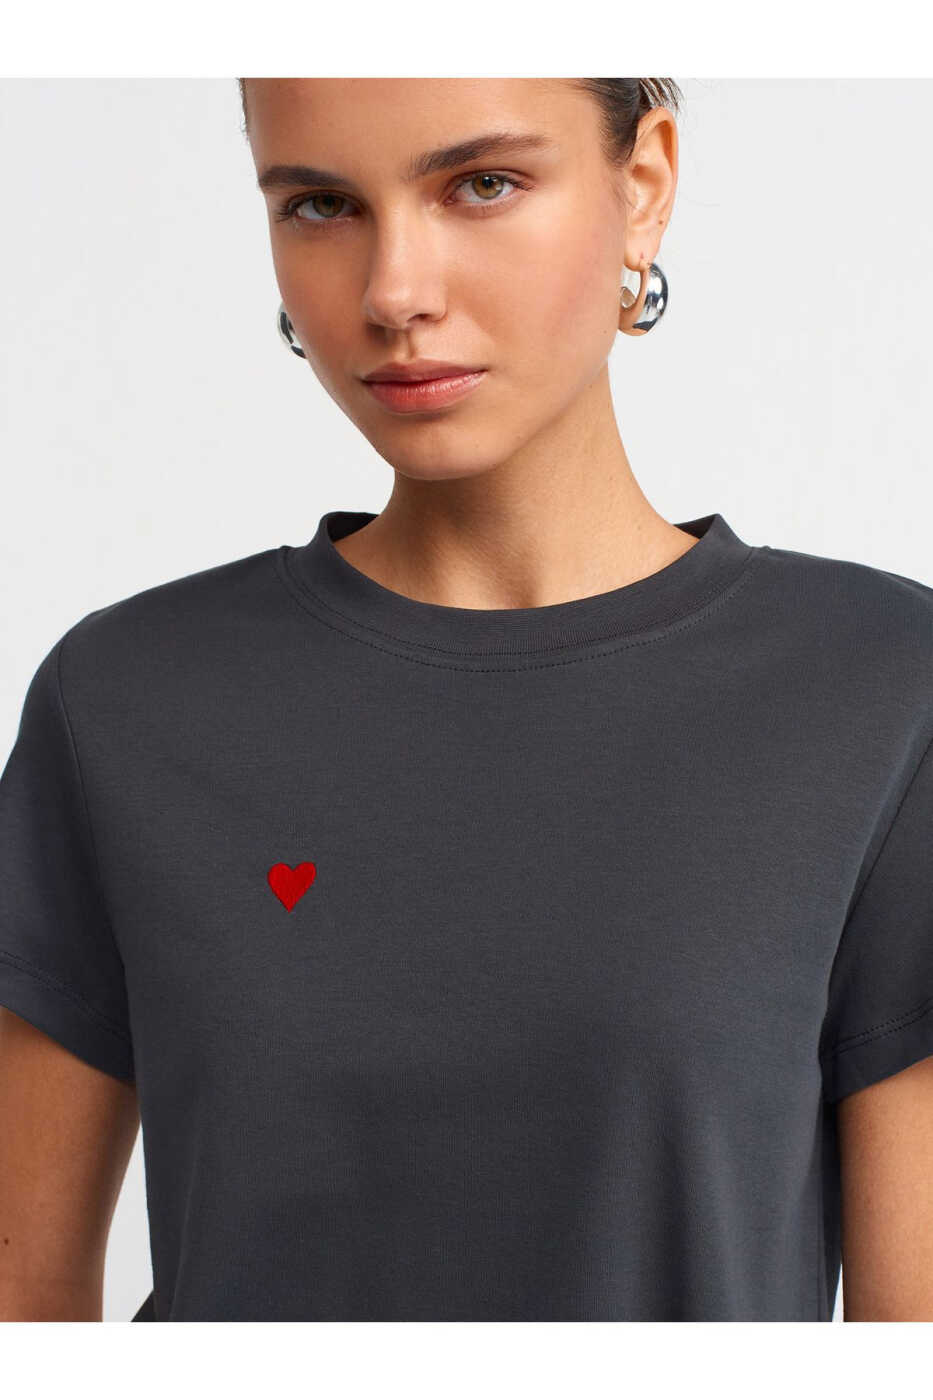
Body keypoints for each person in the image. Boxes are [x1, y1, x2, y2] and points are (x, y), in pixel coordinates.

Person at [1, 77, 932, 1324]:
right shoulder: (123, 701)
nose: (394, 292)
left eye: (482, 184)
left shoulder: (879, 690)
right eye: (321, 204)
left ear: (644, 183)